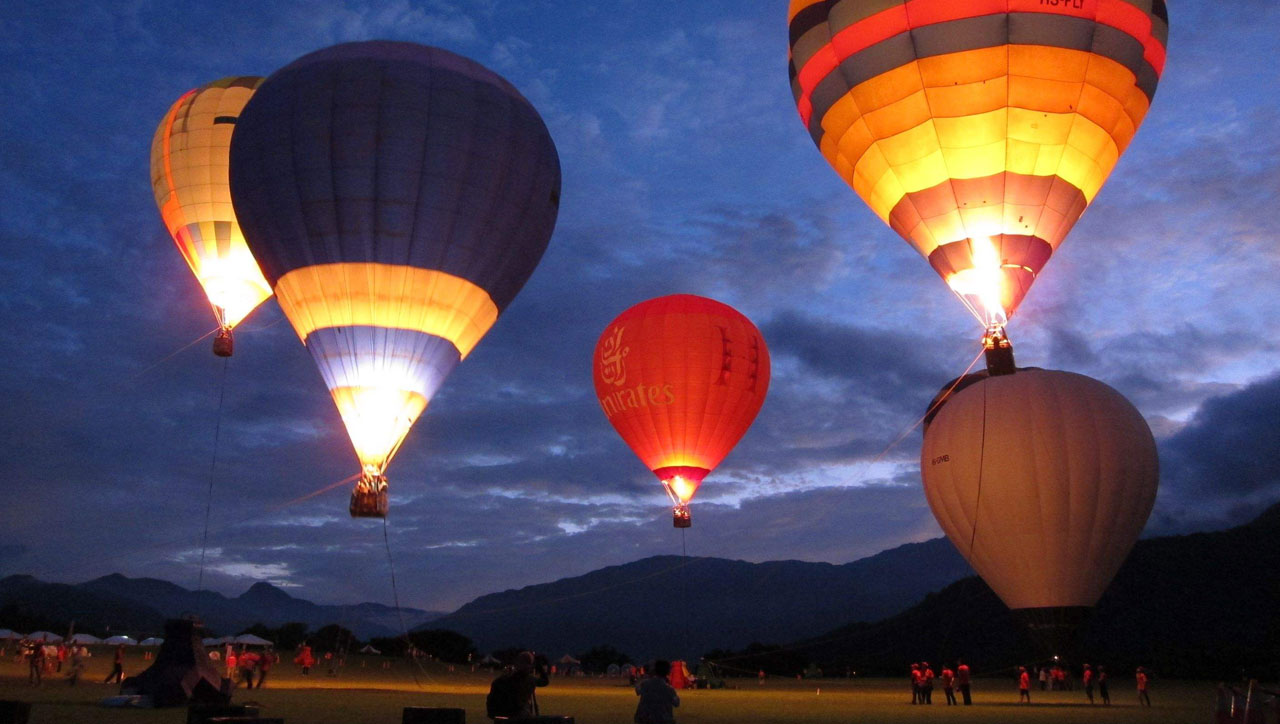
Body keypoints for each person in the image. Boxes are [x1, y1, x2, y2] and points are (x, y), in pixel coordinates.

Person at [486, 651, 550, 720]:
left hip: (503, 717)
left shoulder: (500, 681)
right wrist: (539, 667)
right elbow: (545, 681)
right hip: (521, 717)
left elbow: (491, 702)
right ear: (530, 666)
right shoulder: (530, 680)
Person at [634, 659, 680, 724]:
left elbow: (637, 691)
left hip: (643, 718)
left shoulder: (646, 683)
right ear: (668, 672)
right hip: (662, 719)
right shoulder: (669, 689)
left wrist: (640, 679)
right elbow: (676, 703)